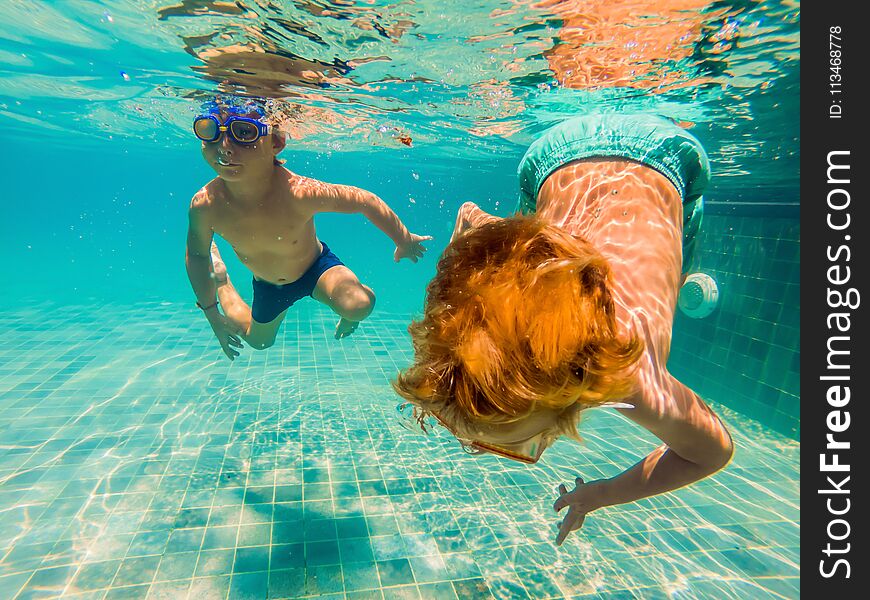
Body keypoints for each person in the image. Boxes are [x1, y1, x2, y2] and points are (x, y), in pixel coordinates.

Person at [393, 113, 733, 546]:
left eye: (517, 446)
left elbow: (711, 453)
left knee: (670, 256)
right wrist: (464, 241)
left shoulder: (627, 381)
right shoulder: (545, 355)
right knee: (508, 278)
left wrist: (603, 494)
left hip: (664, 158)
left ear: (572, 396)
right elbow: (456, 308)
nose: (487, 450)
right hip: (553, 158)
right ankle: (476, 223)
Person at [185, 97, 431, 359]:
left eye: (244, 132)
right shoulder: (206, 206)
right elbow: (198, 255)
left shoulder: (298, 192)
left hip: (316, 269)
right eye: (210, 132)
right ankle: (223, 282)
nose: (224, 147)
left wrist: (403, 239)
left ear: (276, 143)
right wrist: (212, 313)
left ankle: (349, 309)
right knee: (259, 343)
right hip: (269, 285)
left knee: (358, 306)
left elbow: (364, 201)